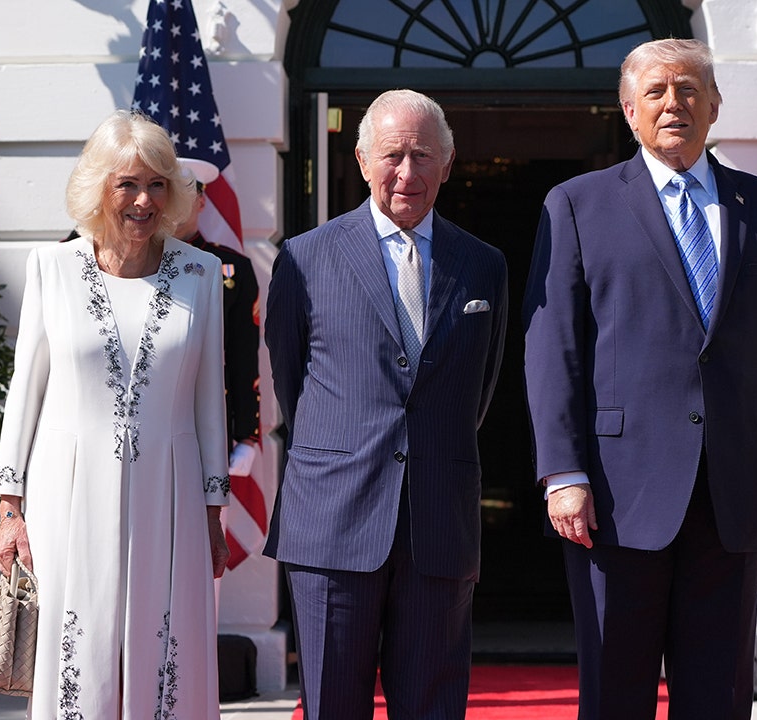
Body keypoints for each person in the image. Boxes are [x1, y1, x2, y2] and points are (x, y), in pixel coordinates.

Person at [523, 38, 757, 719]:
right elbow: (553, 348)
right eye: (655, 91)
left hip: (737, 490)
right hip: (613, 494)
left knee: (719, 694)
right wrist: (562, 473)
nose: (673, 104)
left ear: (714, 106)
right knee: (615, 691)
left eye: (689, 90)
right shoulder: (576, 205)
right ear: (629, 111)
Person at [264, 89, 508, 718]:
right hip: (332, 522)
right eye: (393, 155)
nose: (407, 172)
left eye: (423, 155)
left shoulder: (483, 265)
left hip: (438, 522)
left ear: (447, 164)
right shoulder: (305, 257)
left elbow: (479, 389)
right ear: (363, 160)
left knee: (433, 706)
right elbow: (292, 384)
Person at [0, 109, 231, 720]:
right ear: (99, 187)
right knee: (78, 655)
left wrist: (213, 510)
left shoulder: (201, 273)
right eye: (127, 184)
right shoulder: (50, 268)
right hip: (66, 495)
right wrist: (10, 510)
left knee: (167, 654)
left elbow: (209, 400)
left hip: (171, 496)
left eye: (157, 184)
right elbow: (25, 392)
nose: (144, 200)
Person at [176, 158, 262, 484]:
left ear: (201, 200)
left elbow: (243, 354)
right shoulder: (134, 264)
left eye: (185, 192)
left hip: (209, 422)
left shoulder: (231, 268)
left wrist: (247, 435)